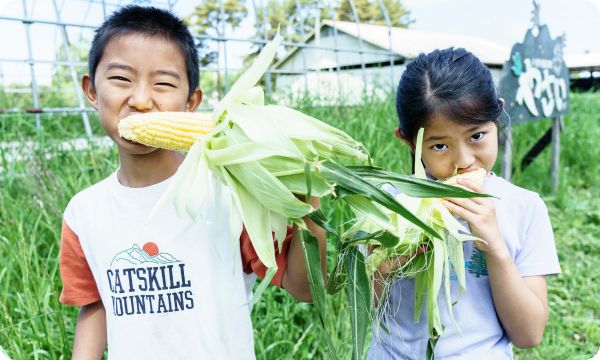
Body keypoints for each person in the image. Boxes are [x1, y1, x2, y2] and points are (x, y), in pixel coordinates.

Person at [58, 5, 325, 359]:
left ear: (191, 103)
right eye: (122, 79)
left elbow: (303, 288)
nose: (140, 100)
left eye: (163, 84)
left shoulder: (230, 193)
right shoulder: (84, 212)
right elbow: (95, 304)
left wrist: (308, 206)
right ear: (91, 91)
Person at [367, 48, 561, 359]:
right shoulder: (388, 203)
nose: (464, 162)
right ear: (408, 142)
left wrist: (495, 248)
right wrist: (395, 259)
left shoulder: (525, 208)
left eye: (477, 136)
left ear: (497, 118)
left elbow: (529, 334)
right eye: (440, 145)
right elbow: (369, 301)